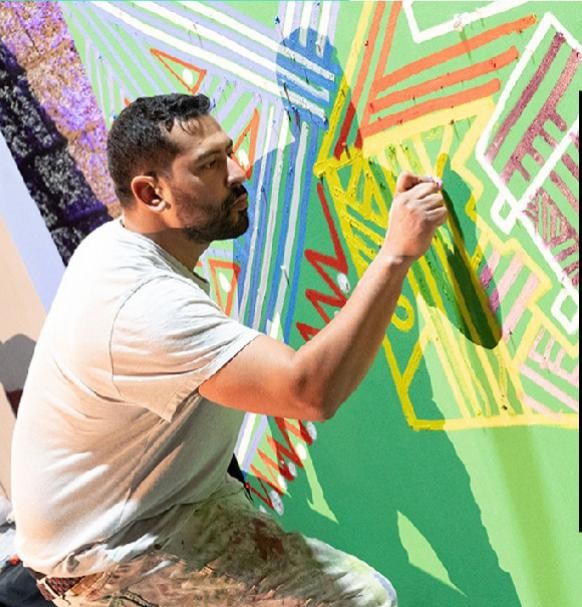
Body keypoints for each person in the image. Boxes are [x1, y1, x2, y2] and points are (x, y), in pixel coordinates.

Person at [11, 93, 447, 606]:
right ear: (152, 194)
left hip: (157, 512)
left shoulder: (122, 247)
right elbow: (309, 391)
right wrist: (396, 253)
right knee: (359, 599)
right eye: (210, 165)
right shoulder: (141, 304)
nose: (239, 172)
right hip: (114, 556)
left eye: (230, 152)